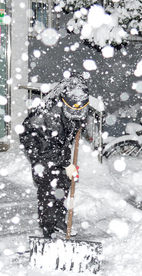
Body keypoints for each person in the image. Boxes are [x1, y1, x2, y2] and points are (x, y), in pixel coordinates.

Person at [19, 75, 90, 238]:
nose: (76, 113)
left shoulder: (76, 97)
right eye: (73, 110)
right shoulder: (50, 116)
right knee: (49, 185)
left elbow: (73, 125)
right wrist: (66, 164)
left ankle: (58, 220)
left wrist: (66, 165)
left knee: (63, 182)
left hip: (57, 143)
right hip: (38, 144)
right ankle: (48, 228)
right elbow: (47, 149)